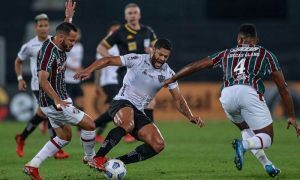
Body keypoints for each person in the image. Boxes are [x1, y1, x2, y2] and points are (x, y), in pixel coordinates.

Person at [164, 24, 300, 177]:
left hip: (227, 95)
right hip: (249, 92)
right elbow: (283, 88)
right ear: (256, 40)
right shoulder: (265, 54)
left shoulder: (227, 53)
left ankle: (267, 164)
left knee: (246, 130)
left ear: (239, 39)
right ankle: (243, 145)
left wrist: (174, 77)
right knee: (266, 138)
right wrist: (291, 115)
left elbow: (197, 65)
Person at [74, 38, 204, 170]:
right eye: (160, 54)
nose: (162, 59)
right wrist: (88, 70)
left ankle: (115, 163)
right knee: (127, 124)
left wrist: (190, 116)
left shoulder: (168, 73)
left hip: (138, 111)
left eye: (166, 56)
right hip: (121, 102)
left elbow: (178, 99)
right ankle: (98, 158)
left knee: (158, 144)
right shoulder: (137, 59)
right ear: (153, 50)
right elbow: (108, 60)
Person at [23, 22, 96, 180]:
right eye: (71, 41)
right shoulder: (49, 52)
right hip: (54, 101)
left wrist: (69, 18)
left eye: (74, 41)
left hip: (56, 100)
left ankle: (33, 165)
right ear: (61, 38)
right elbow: (42, 80)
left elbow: (64, 30)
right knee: (90, 125)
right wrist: (57, 100)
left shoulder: (58, 40)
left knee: (64, 137)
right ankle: (92, 159)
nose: (73, 44)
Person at [14, 0, 76, 159]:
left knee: (42, 114)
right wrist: (20, 78)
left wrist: (68, 17)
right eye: (40, 25)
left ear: (48, 27)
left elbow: (65, 31)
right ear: (36, 28)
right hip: (39, 85)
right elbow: (18, 61)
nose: (43, 28)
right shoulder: (29, 45)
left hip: (54, 83)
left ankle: (22, 137)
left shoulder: (53, 41)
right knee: (51, 113)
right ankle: (58, 148)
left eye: (45, 25)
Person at [95, 3, 157, 143]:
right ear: (126, 16)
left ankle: (149, 135)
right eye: (130, 13)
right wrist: (112, 60)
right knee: (128, 106)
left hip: (145, 74)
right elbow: (101, 47)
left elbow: (157, 47)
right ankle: (93, 125)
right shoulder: (120, 32)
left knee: (148, 103)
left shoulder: (148, 30)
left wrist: (153, 51)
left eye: (135, 12)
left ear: (139, 15)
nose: (132, 15)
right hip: (127, 74)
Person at [94, 22, 120, 143]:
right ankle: (126, 132)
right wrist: (97, 84)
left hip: (118, 81)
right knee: (117, 106)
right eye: (113, 30)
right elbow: (97, 67)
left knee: (110, 109)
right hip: (108, 82)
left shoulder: (121, 45)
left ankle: (94, 130)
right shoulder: (104, 46)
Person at [65, 27, 84, 110]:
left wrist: (83, 70)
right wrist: (73, 69)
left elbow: (78, 63)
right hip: (66, 80)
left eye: (78, 34)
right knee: (66, 105)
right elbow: (61, 63)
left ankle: (81, 122)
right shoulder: (65, 46)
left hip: (76, 80)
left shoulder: (80, 47)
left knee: (80, 103)